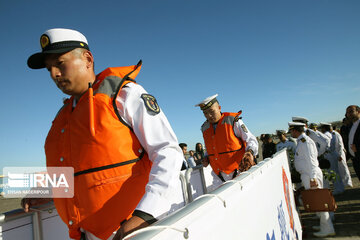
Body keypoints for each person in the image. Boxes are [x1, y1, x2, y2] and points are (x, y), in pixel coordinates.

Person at [23, 28, 184, 240]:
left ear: (87, 59)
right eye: (49, 69)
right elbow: (82, 171)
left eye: (60, 64)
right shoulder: (63, 117)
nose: (54, 74)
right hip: (84, 234)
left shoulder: (124, 94)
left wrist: (145, 215)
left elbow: (168, 151)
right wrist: (48, 193)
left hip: (135, 229)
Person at [195, 94, 258, 182]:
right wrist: (206, 157)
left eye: (211, 111)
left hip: (239, 171)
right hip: (218, 177)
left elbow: (251, 139)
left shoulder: (233, 121)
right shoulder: (204, 128)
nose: (209, 115)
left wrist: (250, 152)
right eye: (205, 113)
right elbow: (210, 147)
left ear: (219, 108)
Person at [288, 122, 335, 238]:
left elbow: (312, 161)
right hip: (308, 175)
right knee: (316, 202)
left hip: (310, 175)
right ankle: (323, 225)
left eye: (291, 130)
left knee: (320, 201)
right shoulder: (301, 141)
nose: (291, 133)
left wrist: (313, 177)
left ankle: (328, 228)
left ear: (295, 130)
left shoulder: (305, 142)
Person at [320, 123, 353, 194]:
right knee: (337, 171)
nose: (321, 130)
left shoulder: (332, 134)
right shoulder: (331, 134)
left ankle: (343, 185)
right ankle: (341, 186)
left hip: (335, 154)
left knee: (340, 170)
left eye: (322, 128)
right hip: (335, 154)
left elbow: (339, 145)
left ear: (325, 128)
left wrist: (339, 155)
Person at [345, 105, 360, 181]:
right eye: (347, 112)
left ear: (358, 112)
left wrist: (357, 147)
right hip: (355, 159)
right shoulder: (351, 125)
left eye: (351, 111)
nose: (349, 114)